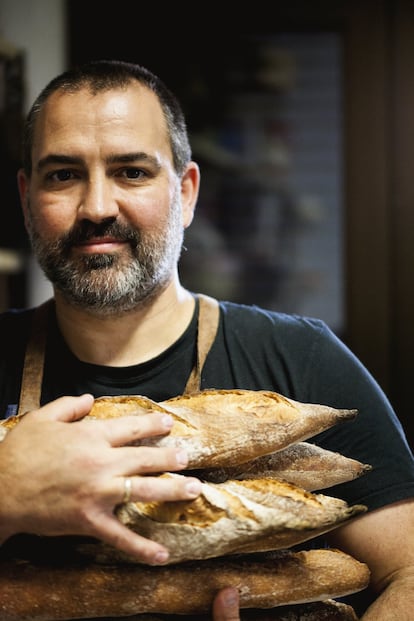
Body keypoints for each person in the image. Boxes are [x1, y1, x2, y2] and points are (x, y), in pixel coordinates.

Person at [0, 59, 412, 620]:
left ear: (186, 192)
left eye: (132, 172)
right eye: (63, 175)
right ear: (27, 198)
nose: (97, 207)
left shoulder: (301, 361)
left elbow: (409, 572)